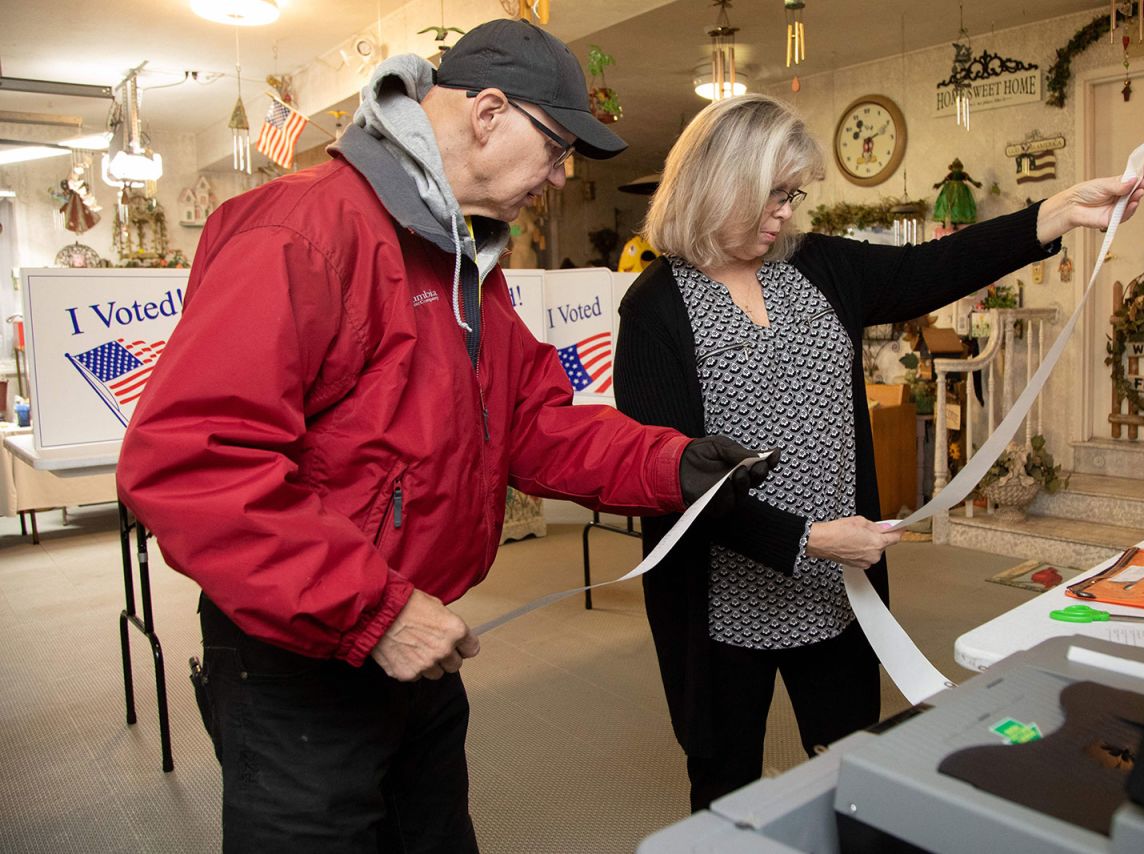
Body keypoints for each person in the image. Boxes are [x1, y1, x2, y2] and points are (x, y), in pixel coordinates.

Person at [116, 20, 774, 852]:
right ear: (489, 113)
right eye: (559, 146)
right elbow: (193, 463)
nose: (564, 175)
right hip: (306, 660)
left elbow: (534, 424)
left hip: (415, 645)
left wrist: (673, 461)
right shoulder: (302, 231)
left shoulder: (462, 260)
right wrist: (375, 613)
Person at [613, 94, 1144, 812]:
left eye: (792, 196)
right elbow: (672, 483)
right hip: (721, 606)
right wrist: (804, 538)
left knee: (851, 773)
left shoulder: (815, 267)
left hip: (838, 589)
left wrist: (1055, 212)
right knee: (724, 786)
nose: (786, 215)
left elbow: (935, 266)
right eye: (774, 196)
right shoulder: (653, 310)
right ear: (722, 183)